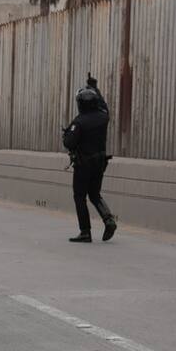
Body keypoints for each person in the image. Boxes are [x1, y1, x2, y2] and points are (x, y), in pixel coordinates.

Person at [62, 83, 117, 243]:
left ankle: (85, 231)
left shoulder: (79, 122)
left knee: (79, 196)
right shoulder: (103, 117)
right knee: (94, 194)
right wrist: (97, 89)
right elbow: (104, 106)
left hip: (83, 164)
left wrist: (67, 134)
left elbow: (69, 143)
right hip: (100, 163)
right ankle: (109, 220)